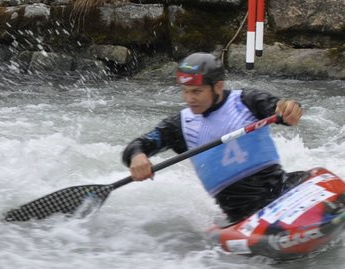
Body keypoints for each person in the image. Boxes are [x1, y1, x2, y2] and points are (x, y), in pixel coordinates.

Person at [121, 53, 306, 224]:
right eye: (185, 91)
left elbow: (282, 109)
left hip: (282, 192)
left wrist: (290, 110)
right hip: (241, 217)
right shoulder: (180, 125)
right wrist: (137, 156)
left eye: (197, 91)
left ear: (218, 86)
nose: (189, 98)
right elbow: (137, 145)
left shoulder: (246, 101)